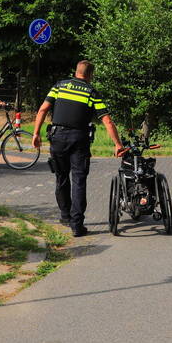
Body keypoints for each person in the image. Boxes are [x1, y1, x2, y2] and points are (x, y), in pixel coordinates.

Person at [32, 60, 124, 237]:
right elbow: (107, 120)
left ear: (76, 72)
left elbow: (43, 109)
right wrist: (117, 144)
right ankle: (76, 225)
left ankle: (65, 216)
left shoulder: (60, 86)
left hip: (57, 137)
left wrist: (36, 133)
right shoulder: (91, 92)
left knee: (61, 177)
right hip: (79, 140)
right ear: (90, 75)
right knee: (79, 182)